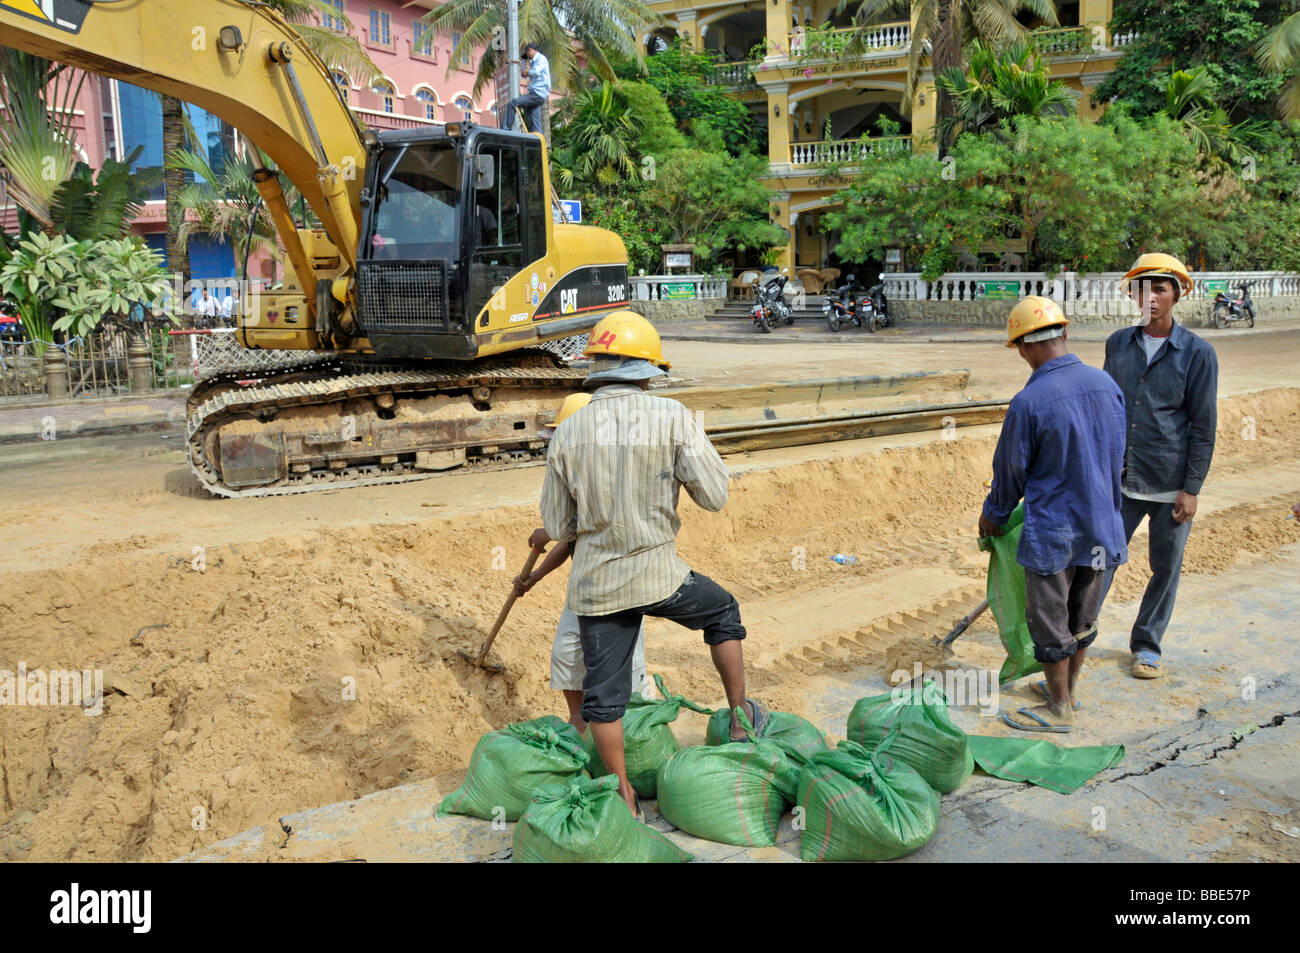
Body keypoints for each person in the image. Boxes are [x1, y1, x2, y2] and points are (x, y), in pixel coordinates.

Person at [539, 311, 765, 817]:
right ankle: (738, 715)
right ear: (647, 371)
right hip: (661, 576)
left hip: (598, 586)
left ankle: (623, 794)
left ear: (595, 365)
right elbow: (714, 496)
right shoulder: (674, 417)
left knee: (604, 696)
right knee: (722, 613)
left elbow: (557, 525)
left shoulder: (567, 433)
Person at [979, 297, 1127, 733]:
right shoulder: (1107, 385)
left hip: (1054, 534)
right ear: (1063, 334)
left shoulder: (1029, 402)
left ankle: (1059, 707)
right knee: (1083, 614)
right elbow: (1120, 458)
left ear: (1026, 346)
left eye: (1019, 349)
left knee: (1050, 621)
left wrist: (994, 515)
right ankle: (1070, 691)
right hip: (1103, 527)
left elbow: (1011, 472)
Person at [1098, 253, 1218, 680]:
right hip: (1123, 481)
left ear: (1177, 294)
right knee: (1100, 559)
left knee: (1165, 569)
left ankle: (1146, 646)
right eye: (1141, 288)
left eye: (1159, 288)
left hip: (1171, 484)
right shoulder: (1117, 344)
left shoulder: (1198, 354)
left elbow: (1204, 425)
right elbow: (1108, 408)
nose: (1149, 297)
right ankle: (1080, 633)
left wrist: (1192, 488)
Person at [514, 393, 648, 733]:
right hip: (586, 584)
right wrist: (535, 577)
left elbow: (572, 527)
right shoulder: (576, 474)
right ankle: (578, 722)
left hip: (623, 586)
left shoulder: (615, 477)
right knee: (567, 654)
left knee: (625, 665)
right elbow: (570, 540)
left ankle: (636, 727)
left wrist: (549, 530)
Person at [502, 42, 549, 133]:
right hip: (538, 95)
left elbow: (535, 72)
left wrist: (525, 72)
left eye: (527, 55)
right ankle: (537, 141)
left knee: (513, 103)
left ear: (530, 51)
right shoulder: (535, 61)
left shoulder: (540, 59)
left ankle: (505, 129)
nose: (528, 58)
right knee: (535, 120)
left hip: (537, 94)